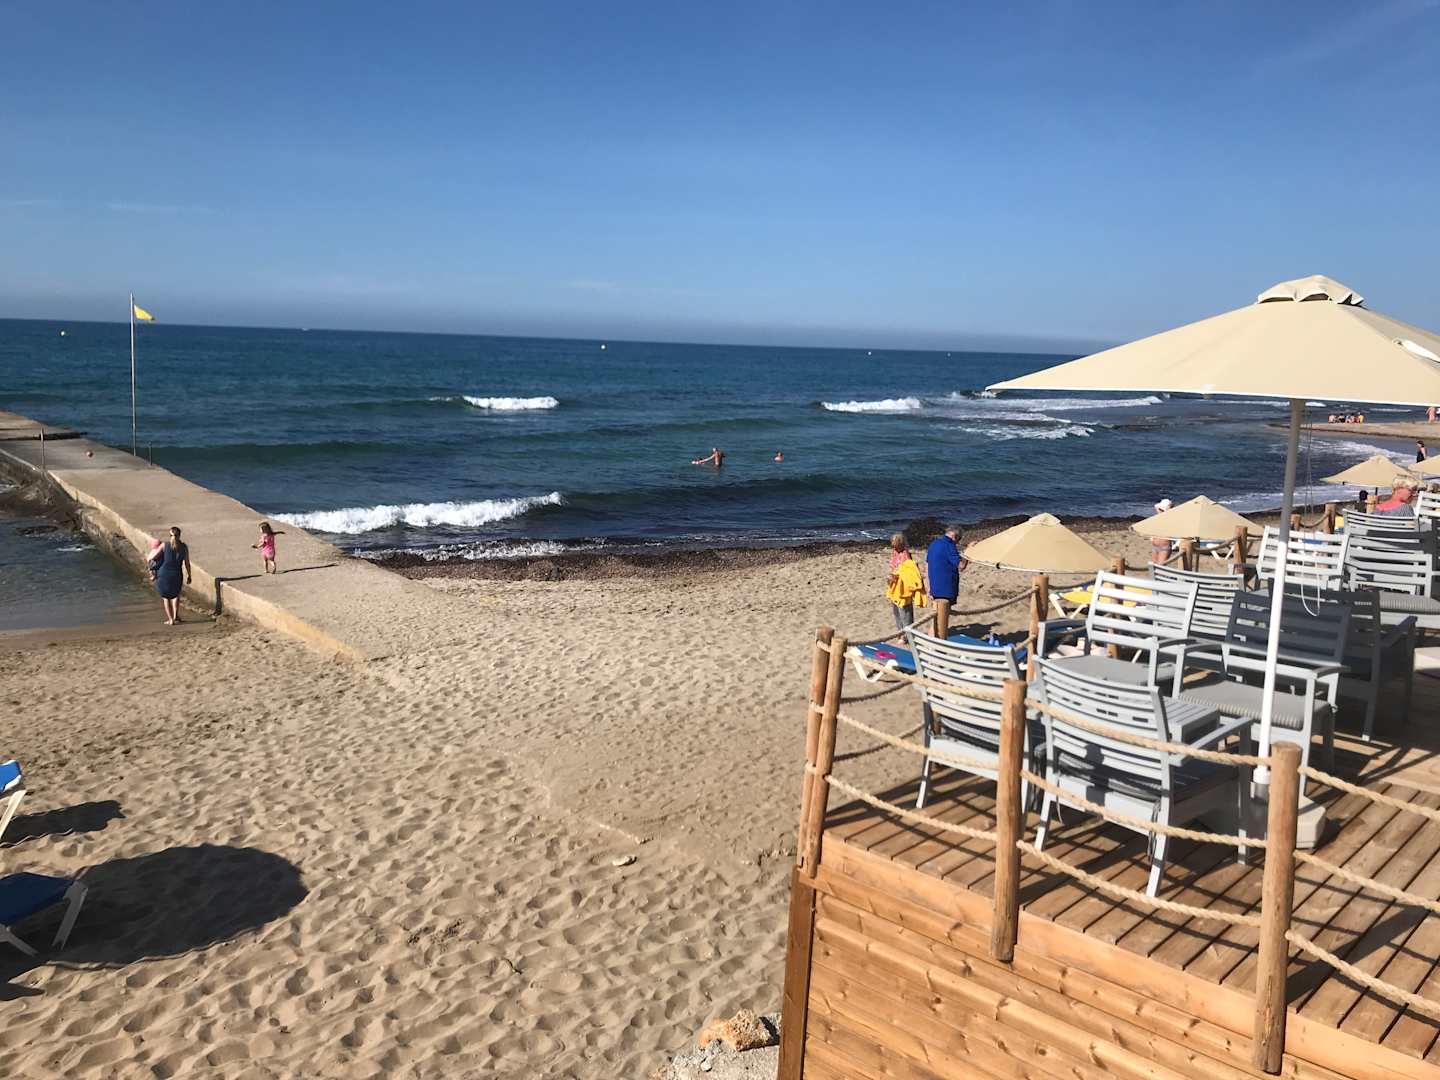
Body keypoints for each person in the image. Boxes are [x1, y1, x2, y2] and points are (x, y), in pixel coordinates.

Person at [925, 524, 967, 639]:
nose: (957, 543)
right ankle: (937, 642)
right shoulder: (949, 545)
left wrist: (929, 585)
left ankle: (931, 639)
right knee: (942, 618)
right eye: (958, 539)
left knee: (935, 617)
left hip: (934, 585)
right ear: (954, 536)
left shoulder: (934, 544)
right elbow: (961, 566)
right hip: (946, 588)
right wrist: (968, 553)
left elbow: (927, 564)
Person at [148, 525, 192, 625]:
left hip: (163, 575)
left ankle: (171, 620)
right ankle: (176, 616)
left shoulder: (165, 545)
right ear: (179, 535)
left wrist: (152, 572)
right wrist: (189, 575)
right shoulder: (184, 547)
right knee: (176, 595)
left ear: (170, 535)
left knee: (166, 597)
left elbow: (153, 559)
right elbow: (187, 563)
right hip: (177, 575)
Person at [885, 535, 927, 631]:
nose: (892, 545)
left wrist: (895, 576)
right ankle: (901, 633)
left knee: (905, 614)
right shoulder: (895, 552)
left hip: (903, 587)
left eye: (894, 543)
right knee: (897, 612)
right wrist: (890, 576)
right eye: (892, 543)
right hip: (894, 585)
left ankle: (907, 634)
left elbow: (908, 573)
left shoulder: (906, 555)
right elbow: (893, 567)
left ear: (900, 543)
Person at [1149, 498, 1174, 564]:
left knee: (1160, 566)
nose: (1159, 511)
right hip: (1155, 546)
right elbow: (1156, 507)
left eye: (1161, 509)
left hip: (1164, 548)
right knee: (1154, 566)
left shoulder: (1170, 519)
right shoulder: (1157, 518)